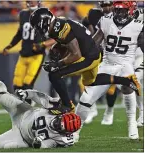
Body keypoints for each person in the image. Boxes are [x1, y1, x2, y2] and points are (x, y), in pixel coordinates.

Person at [29, 7, 141, 115]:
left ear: (44, 22)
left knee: (54, 75)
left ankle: (67, 106)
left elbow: (76, 54)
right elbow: (71, 40)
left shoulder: (60, 28)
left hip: (87, 57)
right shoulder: (58, 24)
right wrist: (57, 46)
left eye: (37, 26)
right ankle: (126, 80)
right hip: (91, 53)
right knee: (90, 82)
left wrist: (58, 63)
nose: (38, 29)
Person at [75, 1, 144, 141]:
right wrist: (84, 50)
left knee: (128, 84)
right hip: (107, 64)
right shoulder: (105, 21)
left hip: (126, 65)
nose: (119, 13)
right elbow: (96, 40)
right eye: (117, 10)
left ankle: (132, 124)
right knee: (86, 98)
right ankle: (75, 130)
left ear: (131, 10)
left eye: (123, 10)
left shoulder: (138, 25)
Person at [0, 68, 81, 149]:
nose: (55, 124)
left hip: (22, 137)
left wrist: (38, 144)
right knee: (2, 95)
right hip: (25, 112)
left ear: (65, 132)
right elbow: (40, 97)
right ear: (61, 115)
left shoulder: (63, 139)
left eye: (58, 127)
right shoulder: (59, 108)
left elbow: (45, 145)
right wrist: (27, 94)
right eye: (57, 121)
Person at [3, 1, 55, 105]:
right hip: (24, 54)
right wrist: (10, 45)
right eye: (28, 0)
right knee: (17, 84)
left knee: (27, 83)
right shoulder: (23, 14)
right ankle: (21, 105)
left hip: (37, 55)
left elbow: (55, 36)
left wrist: (43, 44)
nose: (30, 1)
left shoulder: (45, 15)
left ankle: (28, 105)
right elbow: (19, 33)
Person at [82, 0, 115, 124]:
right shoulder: (94, 14)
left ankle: (109, 112)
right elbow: (86, 23)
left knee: (111, 87)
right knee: (88, 81)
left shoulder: (119, 14)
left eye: (109, 5)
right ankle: (92, 110)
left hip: (113, 53)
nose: (106, 8)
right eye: (104, 5)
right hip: (97, 52)